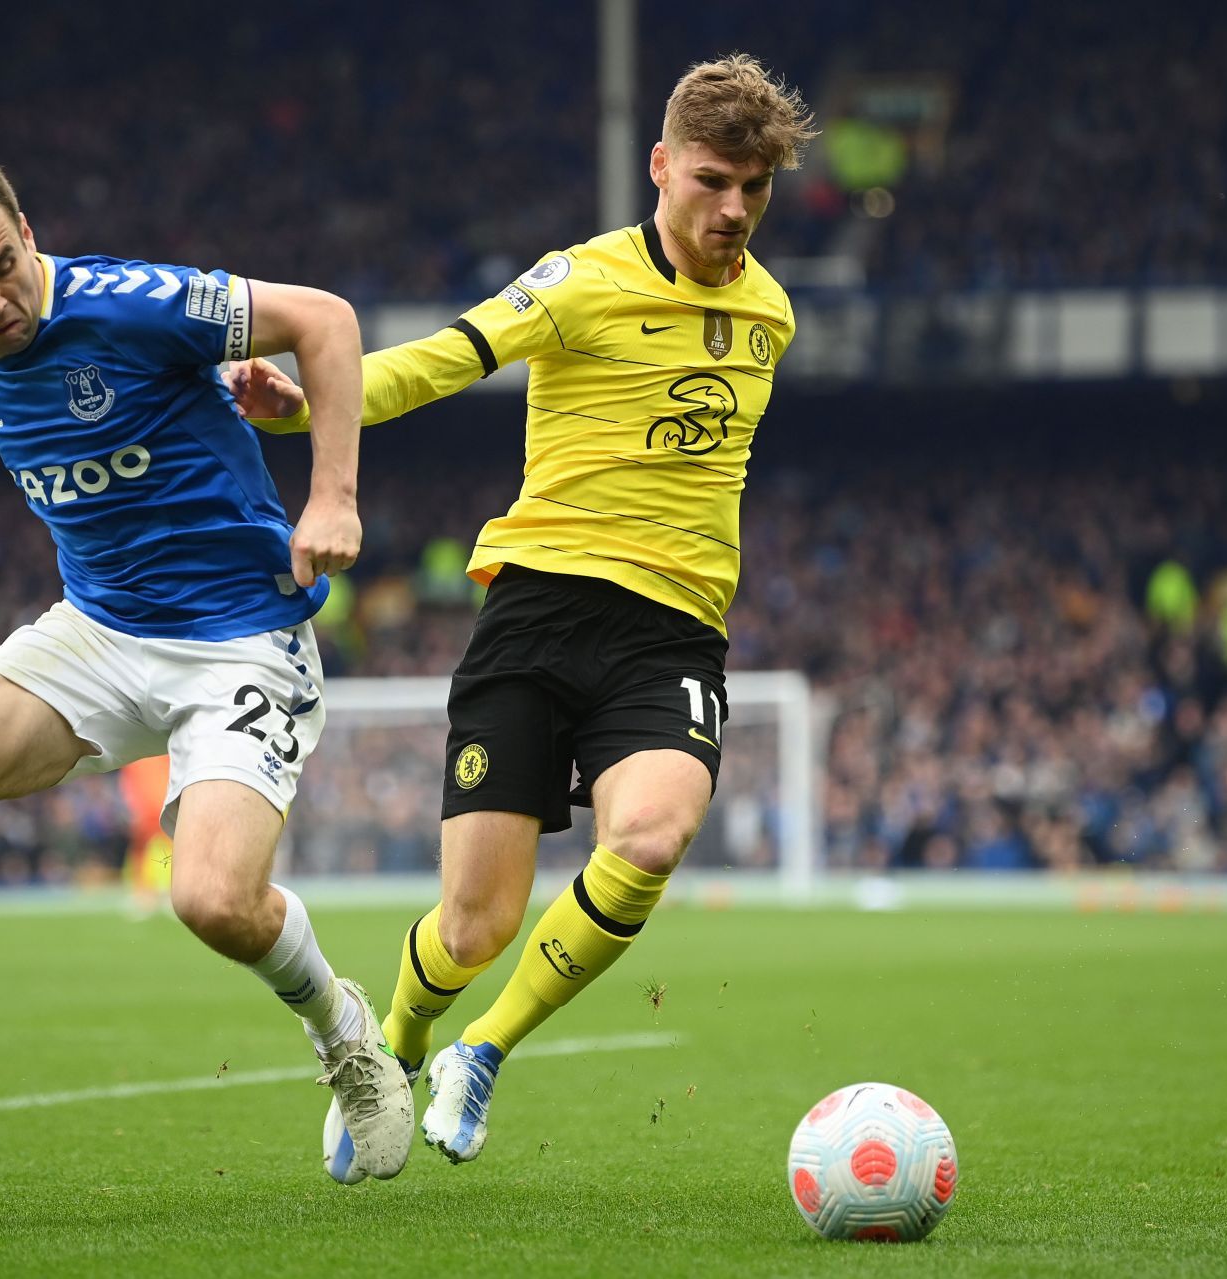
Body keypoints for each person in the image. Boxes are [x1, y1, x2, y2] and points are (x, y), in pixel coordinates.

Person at [0, 150, 413, 1181]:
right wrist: (210, 384)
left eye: (6, 265)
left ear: (29, 230)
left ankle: (348, 1040)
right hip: (98, 629)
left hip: (238, 633)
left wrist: (332, 497)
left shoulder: (133, 303)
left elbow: (325, 319)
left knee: (214, 903)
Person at [235, 53, 817, 1170]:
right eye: (712, 181)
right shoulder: (580, 280)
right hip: (539, 612)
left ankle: (487, 1049)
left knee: (650, 831)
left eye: (756, 187)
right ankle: (392, 1049)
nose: (735, 208)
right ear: (659, 167)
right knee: (473, 926)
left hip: (672, 631)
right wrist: (312, 404)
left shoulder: (770, 314)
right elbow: (444, 361)